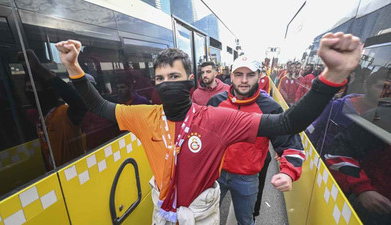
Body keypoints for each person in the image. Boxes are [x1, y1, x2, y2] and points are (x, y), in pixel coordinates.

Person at [55, 32, 361, 224]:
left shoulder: (217, 118)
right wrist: (73, 68)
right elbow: (99, 107)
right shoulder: (144, 116)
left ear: (189, 80)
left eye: (174, 78)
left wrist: (331, 77)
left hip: (201, 216)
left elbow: (287, 122)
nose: (165, 85)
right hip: (161, 214)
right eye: (160, 80)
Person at [207, 56, 303, 225]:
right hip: (216, 174)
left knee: (245, 220)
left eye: (250, 75)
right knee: (204, 217)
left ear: (259, 76)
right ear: (231, 75)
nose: (244, 80)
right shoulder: (216, 101)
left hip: (247, 177)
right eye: (238, 74)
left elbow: (290, 142)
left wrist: (288, 172)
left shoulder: (270, 107)